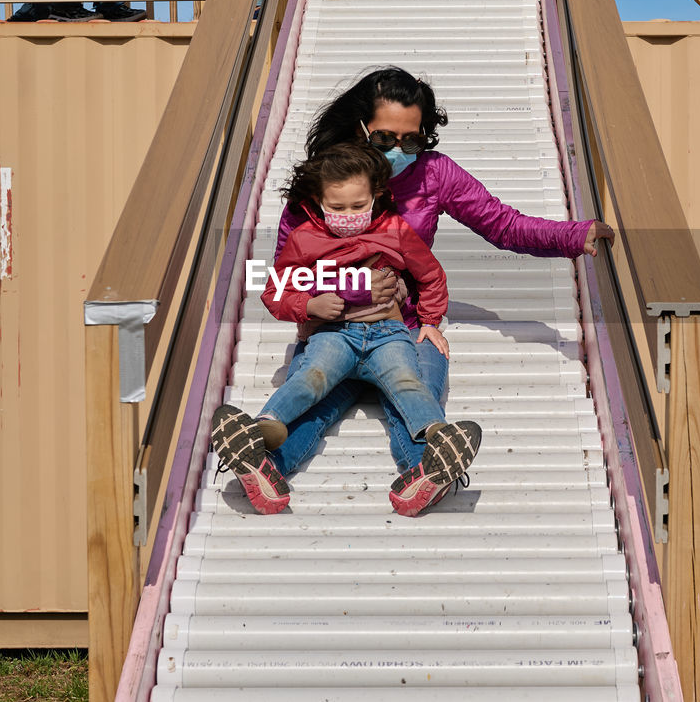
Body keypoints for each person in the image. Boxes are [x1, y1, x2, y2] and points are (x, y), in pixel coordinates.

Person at [263, 67, 616, 510]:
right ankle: (264, 467)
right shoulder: (327, 184)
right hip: (331, 328)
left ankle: (426, 475)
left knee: (417, 402)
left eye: (411, 140)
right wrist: (336, 298)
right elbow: (283, 275)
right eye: (383, 138)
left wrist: (573, 236)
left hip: (403, 330)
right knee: (310, 399)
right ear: (359, 129)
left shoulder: (434, 174)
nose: (397, 151)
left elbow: (502, 224)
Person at [212, 142, 482, 516]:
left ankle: (437, 438)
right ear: (318, 201)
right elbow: (276, 290)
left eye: (359, 206)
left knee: (407, 382)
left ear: (377, 196)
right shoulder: (305, 239)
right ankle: (262, 430)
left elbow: (431, 274)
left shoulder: (395, 230)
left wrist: (431, 321)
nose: (349, 215)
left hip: (388, 333)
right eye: (337, 208)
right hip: (334, 333)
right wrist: (310, 305)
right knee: (312, 378)